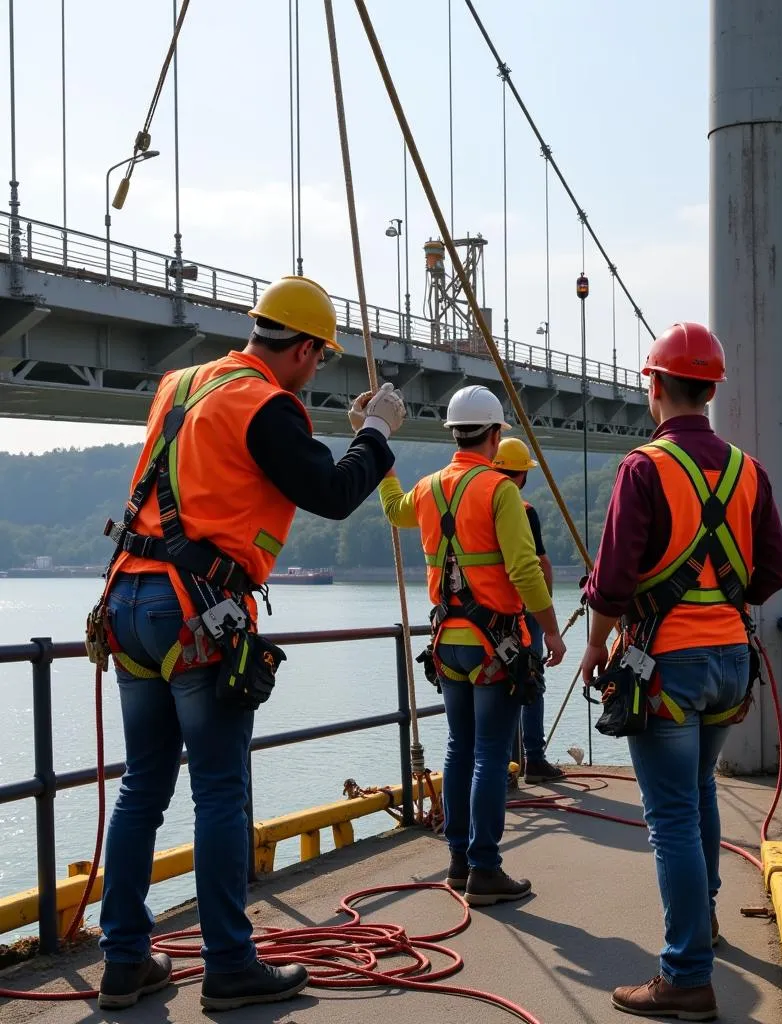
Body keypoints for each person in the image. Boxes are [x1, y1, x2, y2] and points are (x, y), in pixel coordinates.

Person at [93, 275, 406, 1012]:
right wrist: (379, 432)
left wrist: (349, 432)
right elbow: (330, 493)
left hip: (130, 599)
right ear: (300, 349)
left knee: (142, 786)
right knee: (221, 792)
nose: (316, 371)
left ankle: (123, 961)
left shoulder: (182, 383)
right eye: (319, 359)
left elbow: (225, 470)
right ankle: (229, 965)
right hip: (197, 612)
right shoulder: (267, 403)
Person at [580, 322, 782, 1021]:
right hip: (731, 661)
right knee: (696, 792)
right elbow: (773, 573)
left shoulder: (643, 468)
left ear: (657, 385)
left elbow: (612, 583)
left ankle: (685, 975)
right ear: (711, 390)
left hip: (667, 665)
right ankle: (703, 927)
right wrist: (719, 599)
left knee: (669, 815)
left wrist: (594, 647)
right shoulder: (747, 470)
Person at [380, 385, 566, 906]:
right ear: (495, 433)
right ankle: (485, 868)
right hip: (497, 646)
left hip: (448, 643)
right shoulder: (499, 490)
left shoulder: (429, 487)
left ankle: (459, 862)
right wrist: (550, 628)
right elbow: (524, 571)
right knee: (488, 753)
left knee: (459, 749)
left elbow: (394, 510)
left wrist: (377, 450)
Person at [491, 437, 565, 785]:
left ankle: (502, 768)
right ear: (522, 475)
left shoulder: (474, 503)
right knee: (531, 682)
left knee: (496, 686)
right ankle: (533, 759)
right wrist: (544, 615)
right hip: (522, 614)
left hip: (482, 616)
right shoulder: (523, 509)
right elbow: (540, 565)